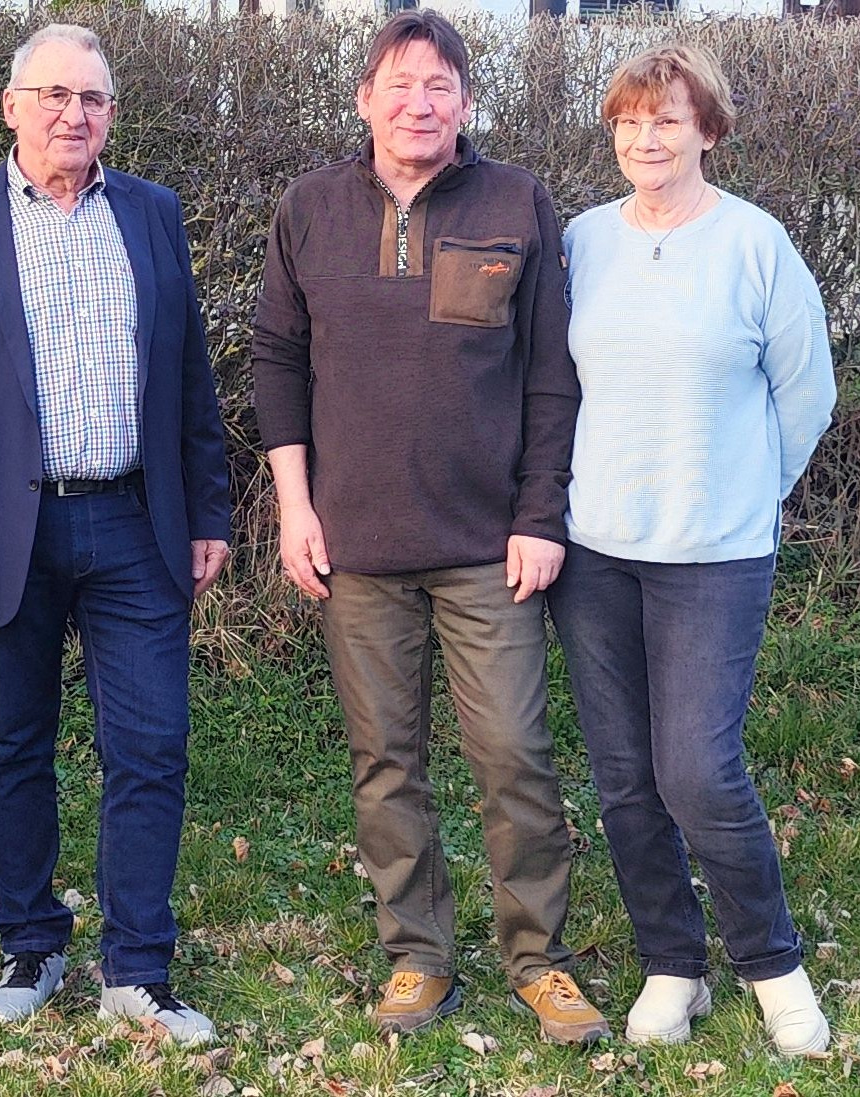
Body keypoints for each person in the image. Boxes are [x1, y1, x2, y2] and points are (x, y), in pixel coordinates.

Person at [251, 11, 608, 1044]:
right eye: (398, 84)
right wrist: (292, 506)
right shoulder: (309, 208)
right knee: (383, 760)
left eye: (438, 86)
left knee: (512, 757)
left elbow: (551, 374)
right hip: (356, 549)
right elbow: (276, 360)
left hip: (486, 549)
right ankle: (417, 954)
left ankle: (536, 957)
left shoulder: (513, 202)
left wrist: (541, 513)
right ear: (362, 97)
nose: (418, 102)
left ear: (463, 101)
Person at [0, 22, 231, 1046]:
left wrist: (208, 510)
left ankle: (137, 966)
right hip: (3, 527)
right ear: (10, 106)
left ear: (110, 115)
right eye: (51, 95)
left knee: (151, 744)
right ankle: (31, 944)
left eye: (90, 99)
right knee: (11, 744)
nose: (71, 115)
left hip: (135, 521)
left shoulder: (151, 214)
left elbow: (188, 379)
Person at [546, 44, 836, 1055]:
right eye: (628, 121)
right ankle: (673, 962)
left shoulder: (754, 247)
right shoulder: (582, 241)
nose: (644, 139)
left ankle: (771, 964)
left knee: (699, 769)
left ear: (706, 130)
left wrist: (747, 493)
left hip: (712, 553)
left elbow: (807, 394)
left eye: (666, 119)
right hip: (594, 552)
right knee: (624, 774)